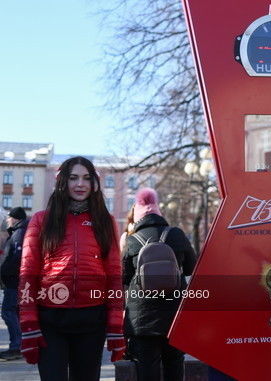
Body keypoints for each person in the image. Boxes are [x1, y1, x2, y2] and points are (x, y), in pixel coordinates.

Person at [18, 156, 125, 380]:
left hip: (91, 320)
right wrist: (29, 323)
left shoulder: (105, 221)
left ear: (94, 183)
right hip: (50, 319)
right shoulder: (41, 220)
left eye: (86, 178)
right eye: (73, 178)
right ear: (62, 182)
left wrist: (116, 325)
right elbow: (28, 273)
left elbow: (114, 275)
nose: (80, 184)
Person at [122, 188, 197, 381]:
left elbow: (124, 278)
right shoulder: (177, 235)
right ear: (158, 211)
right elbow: (191, 268)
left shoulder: (132, 241)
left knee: (146, 370)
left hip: (142, 320)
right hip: (174, 317)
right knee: (174, 366)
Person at [0, 207, 29, 360]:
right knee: (15, 313)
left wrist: (2, 271)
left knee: (8, 311)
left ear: (15, 218)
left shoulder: (19, 234)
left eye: (9, 218)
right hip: (16, 280)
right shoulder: (19, 232)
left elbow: (16, 259)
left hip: (14, 281)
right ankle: (19, 345)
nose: (7, 221)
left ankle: (16, 346)